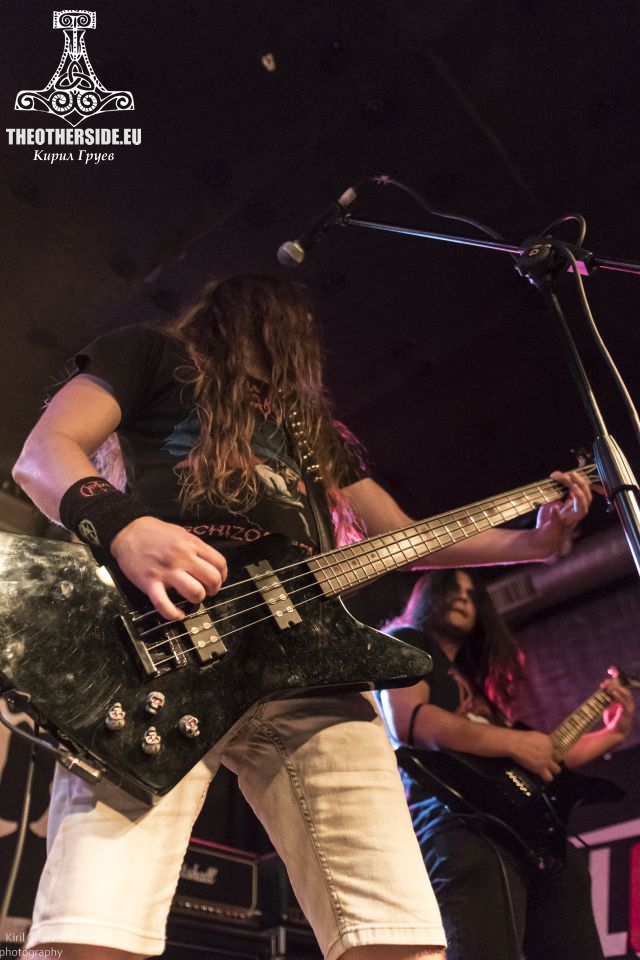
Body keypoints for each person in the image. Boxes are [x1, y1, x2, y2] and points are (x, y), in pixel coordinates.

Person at [12, 274, 592, 960]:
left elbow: (400, 536)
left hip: (310, 664)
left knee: (396, 930)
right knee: (94, 919)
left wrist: (536, 542)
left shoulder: (311, 428)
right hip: (159, 647)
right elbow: (43, 453)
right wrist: (126, 527)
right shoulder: (149, 353)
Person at [379, 568, 635, 960]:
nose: (463, 597)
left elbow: (542, 755)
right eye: (452, 588)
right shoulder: (406, 642)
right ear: (426, 597)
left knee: (570, 877)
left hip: (524, 831)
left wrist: (611, 735)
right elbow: (410, 721)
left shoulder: (478, 687)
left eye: (472, 594)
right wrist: (515, 741)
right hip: (457, 816)